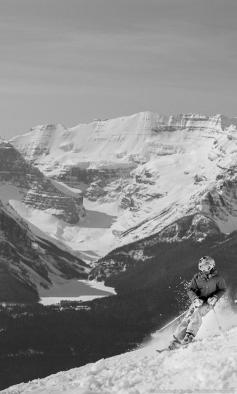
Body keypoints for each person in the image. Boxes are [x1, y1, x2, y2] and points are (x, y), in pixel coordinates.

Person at [169, 256, 227, 350]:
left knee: (197, 313)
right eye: (202, 267)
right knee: (188, 317)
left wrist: (215, 297)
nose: (205, 269)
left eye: (207, 267)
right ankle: (176, 339)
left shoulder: (218, 278)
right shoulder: (197, 277)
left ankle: (189, 335)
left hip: (208, 303)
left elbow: (222, 289)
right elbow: (190, 289)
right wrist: (195, 299)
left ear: (212, 266)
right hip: (198, 301)